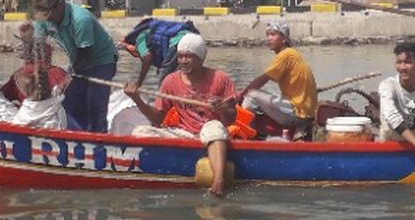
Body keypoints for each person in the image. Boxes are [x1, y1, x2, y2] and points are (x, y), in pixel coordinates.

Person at [124, 33, 237, 197]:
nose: (183, 61)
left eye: (189, 56)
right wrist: (137, 99)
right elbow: (158, 119)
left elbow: (231, 118)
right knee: (140, 132)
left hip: (211, 132)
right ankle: (159, 174)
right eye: (180, 56)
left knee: (214, 128)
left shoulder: (220, 79)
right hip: (183, 133)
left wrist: (222, 109)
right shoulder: (170, 81)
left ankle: (218, 181)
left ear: (200, 58)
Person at [31, 0, 118, 132]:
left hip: (101, 61)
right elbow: (39, 49)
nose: (46, 19)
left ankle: (99, 141)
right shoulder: (44, 19)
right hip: (77, 61)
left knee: (95, 105)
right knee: (69, 104)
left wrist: (67, 78)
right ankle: (77, 137)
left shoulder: (80, 19)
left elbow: (85, 56)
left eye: (48, 14)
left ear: (60, 5)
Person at [240, 19, 318, 139]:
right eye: (267, 35)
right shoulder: (291, 54)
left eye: (273, 34)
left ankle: (248, 138)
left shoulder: (286, 55)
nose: (269, 38)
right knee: (262, 96)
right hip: (303, 110)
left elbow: (261, 80)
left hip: (297, 112)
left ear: (284, 38)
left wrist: (239, 97)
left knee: (252, 95)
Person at [121, 17, 199, 85]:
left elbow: (147, 57)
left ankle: (163, 100)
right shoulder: (154, 32)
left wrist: (139, 82)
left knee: (164, 82)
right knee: (183, 78)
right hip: (196, 41)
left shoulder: (140, 39)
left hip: (179, 43)